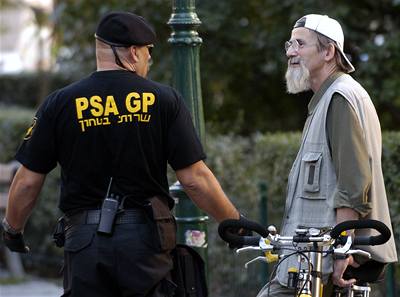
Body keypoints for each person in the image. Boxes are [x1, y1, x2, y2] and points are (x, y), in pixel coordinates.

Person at [1, 11, 240, 297]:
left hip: (85, 244)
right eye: (148, 51)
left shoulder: (60, 103)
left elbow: (27, 181)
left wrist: (13, 229)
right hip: (146, 245)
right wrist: (234, 223)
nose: (150, 59)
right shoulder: (164, 100)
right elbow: (194, 179)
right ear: (133, 52)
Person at [257, 14, 398, 297]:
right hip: (312, 263)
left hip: (323, 263)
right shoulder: (332, 97)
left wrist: (341, 250)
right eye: (289, 44)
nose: (290, 52)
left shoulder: (339, 98)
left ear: (328, 51)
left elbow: (352, 183)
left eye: (299, 44)